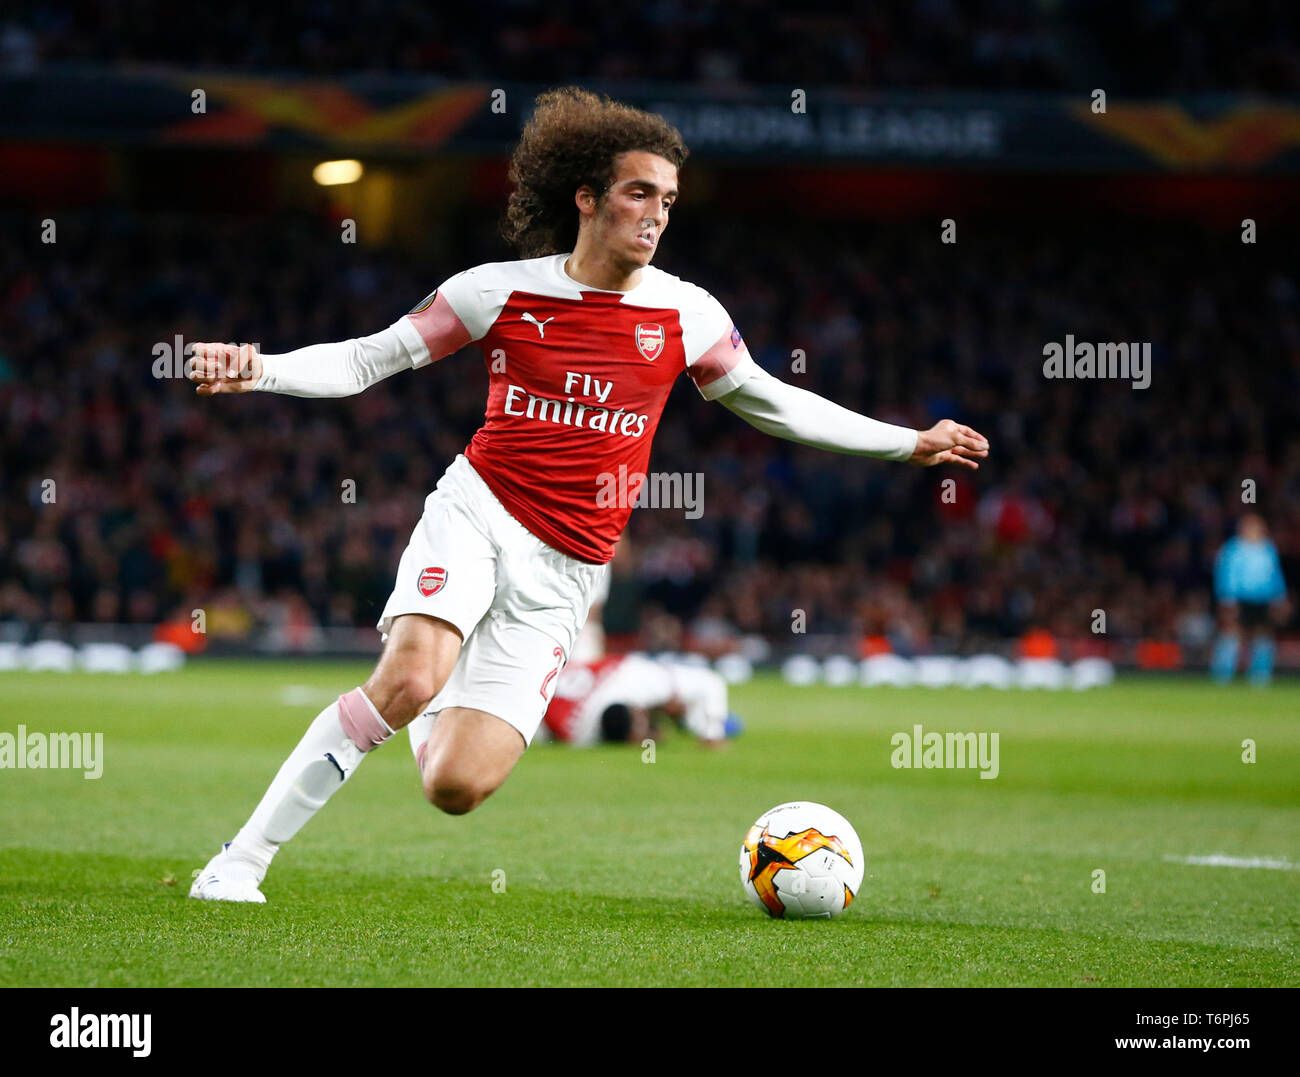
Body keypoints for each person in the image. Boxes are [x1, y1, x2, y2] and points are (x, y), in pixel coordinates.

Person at [186, 87, 988, 903]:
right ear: (588, 198)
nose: (657, 214)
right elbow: (366, 360)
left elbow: (772, 400)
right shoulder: (495, 291)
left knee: (455, 786)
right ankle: (239, 860)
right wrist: (259, 368)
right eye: (640, 192)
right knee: (408, 678)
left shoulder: (687, 313)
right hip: (480, 511)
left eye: (669, 200)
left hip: (568, 569)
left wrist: (907, 440)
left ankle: (430, 700)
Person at [541, 652, 740, 747]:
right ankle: (695, 722)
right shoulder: (576, 735)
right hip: (595, 670)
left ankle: (695, 721)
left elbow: (710, 683)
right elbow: (713, 680)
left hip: (615, 673)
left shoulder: (572, 734)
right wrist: (712, 735)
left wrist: (711, 732)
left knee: (682, 701)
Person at [1211, 513, 1289, 685]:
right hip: (1239, 599)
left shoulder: (1268, 549)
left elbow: (1275, 575)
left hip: (1262, 600)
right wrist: (1227, 599)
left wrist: (1280, 597)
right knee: (1232, 634)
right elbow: (1226, 574)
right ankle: (1222, 676)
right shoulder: (1233, 549)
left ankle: (1260, 677)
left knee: (1262, 636)